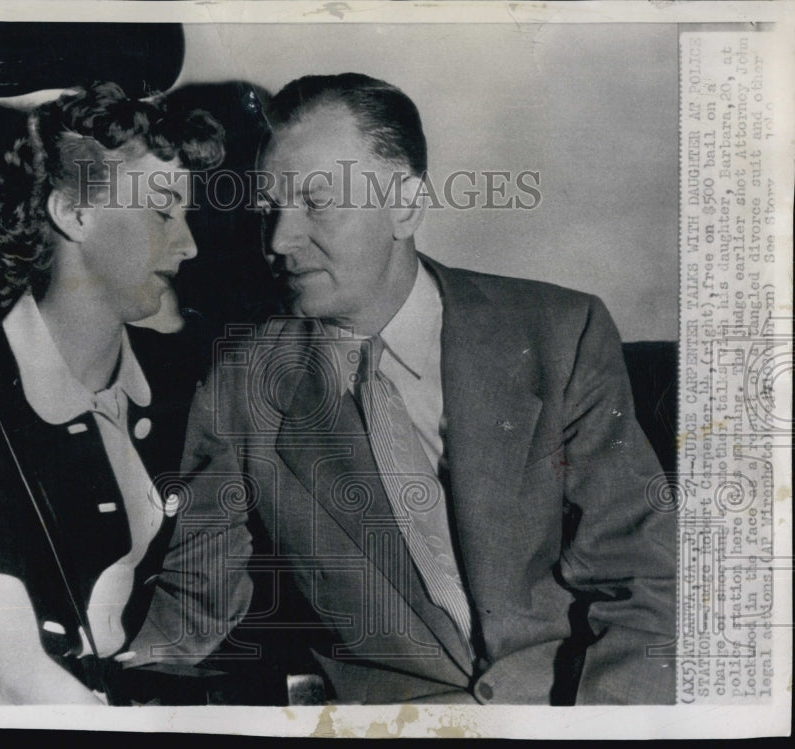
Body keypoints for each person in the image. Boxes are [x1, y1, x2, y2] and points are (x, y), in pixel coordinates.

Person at [132, 73, 676, 704]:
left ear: (407, 205)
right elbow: (195, 602)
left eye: (317, 201)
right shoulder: (240, 385)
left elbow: (643, 578)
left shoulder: (561, 333)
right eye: (268, 208)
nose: (279, 240)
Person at [0, 81, 233, 704]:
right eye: (161, 212)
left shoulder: (185, 378)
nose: (189, 244)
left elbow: (207, 583)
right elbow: (3, 678)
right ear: (71, 212)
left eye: (186, 215)